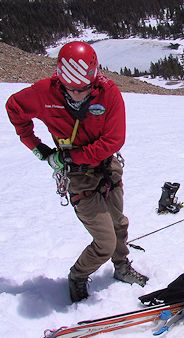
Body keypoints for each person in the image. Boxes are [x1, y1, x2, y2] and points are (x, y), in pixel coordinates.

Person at [5, 41, 148, 302]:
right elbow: (15, 108)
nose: (78, 95)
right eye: (71, 89)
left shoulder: (108, 93)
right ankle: (78, 275)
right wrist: (37, 147)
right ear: (61, 80)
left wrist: (69, 156)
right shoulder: (44, 93)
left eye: (83, 89)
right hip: (78, 177)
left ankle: (122, 266)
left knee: (119, 224)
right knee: (104, 243)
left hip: (106, 167)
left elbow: (113, 140)